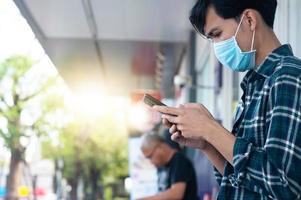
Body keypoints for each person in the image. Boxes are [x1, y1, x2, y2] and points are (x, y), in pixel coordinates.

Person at [153, 0, 301, 199]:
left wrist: (209, 128)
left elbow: (284, 185)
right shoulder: (253, 86)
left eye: (216, 34)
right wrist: (206, 144)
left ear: (249, 20)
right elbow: (242, 180)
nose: (216, 47)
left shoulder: (289, 77)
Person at [139, 133, 198, 200]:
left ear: (160, 147)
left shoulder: (180, 161)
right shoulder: (160, 167)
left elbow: (176, 194)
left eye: (150, 156)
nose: (151, 162)